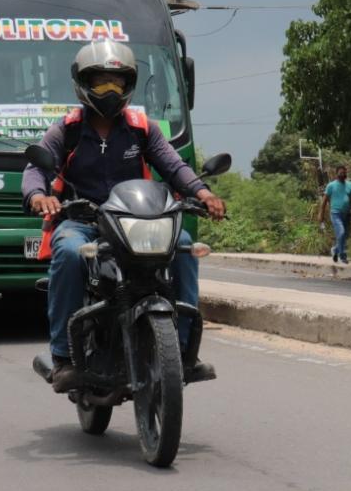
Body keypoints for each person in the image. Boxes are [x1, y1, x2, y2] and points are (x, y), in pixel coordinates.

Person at [22, 40, 227, 392]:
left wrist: (203, 193)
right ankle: (63, 357)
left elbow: (174, 166)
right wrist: (38, 195)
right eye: (101, 82)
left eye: (117, 82)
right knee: (69, 254)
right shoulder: (67, 128)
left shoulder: (141, 127)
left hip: (136, 221)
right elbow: (35, 168)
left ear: (129, 85)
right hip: (82, 221)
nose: (110, 91)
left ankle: (182, 350)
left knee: (185, 246)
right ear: (83, 83)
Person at [319, 165, 351, 264]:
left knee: (345, 235)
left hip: (347, 214)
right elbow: (323, 202)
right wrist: (321, 218)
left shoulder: (350, 185)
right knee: (341, 232)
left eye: (344, 173)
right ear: (337, 174)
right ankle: (343, 256)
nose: (343, 174)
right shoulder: (331, 186)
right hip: (336, 214)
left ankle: (335, 250)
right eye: (341, 173)